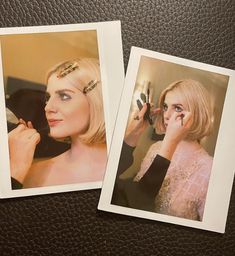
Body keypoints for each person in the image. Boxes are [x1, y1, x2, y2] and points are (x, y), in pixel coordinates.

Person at [112, 79, 214, 221]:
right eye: (165, 107)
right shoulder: (156, 148)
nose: (166, 115)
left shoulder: (210, 168)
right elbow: (135, 197)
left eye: (178, 108)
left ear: (197, 113)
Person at [9, 58, 107, 189]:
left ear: (96, 102)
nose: (47, 107)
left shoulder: (121, 168)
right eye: (48, 98)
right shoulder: (31, 175)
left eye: (64, 96)